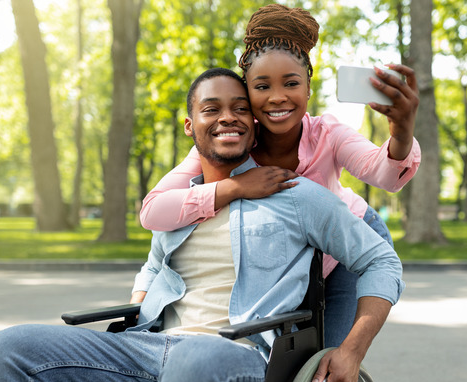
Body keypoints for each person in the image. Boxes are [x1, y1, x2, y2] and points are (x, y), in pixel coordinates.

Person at [0, 68, 403, 382]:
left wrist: (351, 350)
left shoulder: (295, 196)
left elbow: (381, 260)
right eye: (211, 109)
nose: (227, 117)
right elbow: (152, 268)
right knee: (8, 350)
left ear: (254, 124)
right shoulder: (179, 204)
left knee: (195, 357)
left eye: (240, 108)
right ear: (190, 125)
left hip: (239, 362)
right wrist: (135, 314)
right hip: (149, 352)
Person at [138, 4, 420, 355]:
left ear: (308, 88)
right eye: (262, 86)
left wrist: (401, 132)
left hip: (346, 244)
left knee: (328, 359)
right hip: (289, 253)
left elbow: (386, 176)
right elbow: (153, 210)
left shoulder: (328, 134)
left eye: (291, 83)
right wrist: (235, 187)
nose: (277, 97)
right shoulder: (233, 139)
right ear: (248, 94)